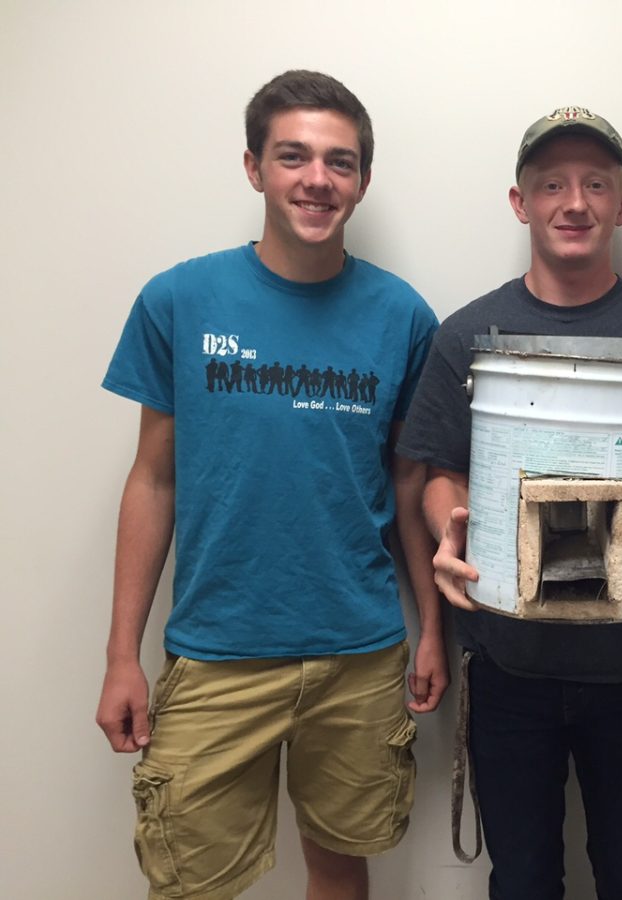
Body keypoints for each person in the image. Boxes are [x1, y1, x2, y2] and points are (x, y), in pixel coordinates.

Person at [95, 70, 446, 900]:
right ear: (254, 168)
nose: (317, 179)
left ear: (362, 180)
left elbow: (408, 487)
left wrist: (434, 627)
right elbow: (153, 481)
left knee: (341, 862)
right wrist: (120, 656)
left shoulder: (403, 317)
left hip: (358, 653)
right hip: (216, 652)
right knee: (192, 881)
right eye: (293, 156)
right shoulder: (179, 300)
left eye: (339, 162)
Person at [397, 106, 622, 900]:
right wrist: (448, 534)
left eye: (595, 184)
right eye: (552, 185)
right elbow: (441, 474)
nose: (574, 202)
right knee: (523, 881)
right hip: (507, 668)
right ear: (521, 202)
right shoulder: (467, 334)